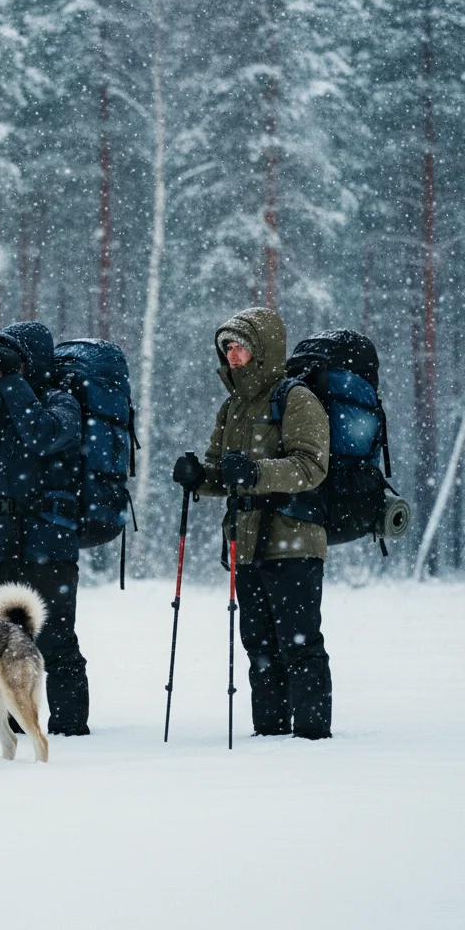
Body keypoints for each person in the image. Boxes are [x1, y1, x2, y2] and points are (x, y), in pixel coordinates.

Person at [172, 306, 333, 740]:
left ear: (263, 349)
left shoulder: (296, 399)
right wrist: (198, 476)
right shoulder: (232, 408)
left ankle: (313, 739)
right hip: (247, 543)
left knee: (299, 643)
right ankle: (270, 734)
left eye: (240, 346)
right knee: (258, 646)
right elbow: (222, 473)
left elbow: (312, 466)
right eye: (227, 348)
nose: (233, 356)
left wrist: (257, 473)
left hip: (294, 539)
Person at [0, 321, 89, 736]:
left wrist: (11, 381)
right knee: (1, 640)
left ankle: (70, 726)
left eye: (11, 359)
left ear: (32, 362)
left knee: (55, 638)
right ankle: (13, 722)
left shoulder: (62, 401)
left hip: (49, 539)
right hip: (2, 540)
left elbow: (43, 434)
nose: (1, 371)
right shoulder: (2, 410)